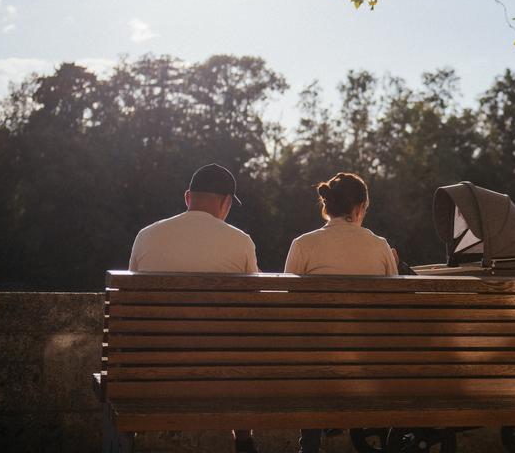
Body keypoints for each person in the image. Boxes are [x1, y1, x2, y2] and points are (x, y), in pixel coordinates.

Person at [128, 163, 260, 453]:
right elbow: (253, 308)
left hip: (149, 371)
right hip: (222, 372)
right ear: (226, 203)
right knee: (240, 347)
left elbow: (135, 306)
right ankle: (243, 439)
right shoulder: (241, 242)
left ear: (188, 197)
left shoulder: (146, 236)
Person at [284, 172, 397, 453]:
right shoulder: (380, 246)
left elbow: (287, 306)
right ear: (359, 208)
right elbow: (393, 309)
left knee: (311, 348)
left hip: (315, 364)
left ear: (328, 207)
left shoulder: (302, 244)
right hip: (368, 360)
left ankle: (310, 442)